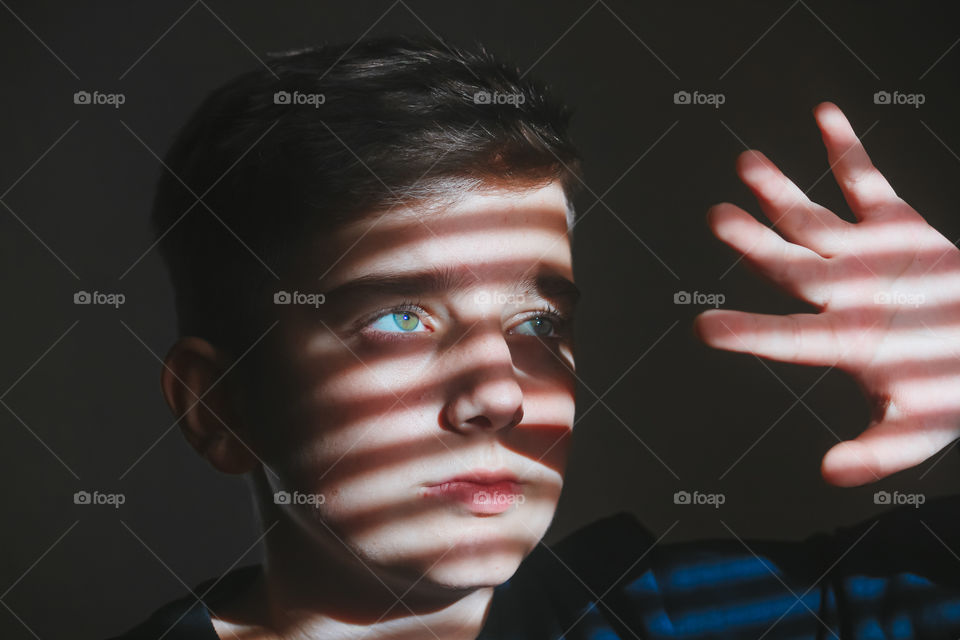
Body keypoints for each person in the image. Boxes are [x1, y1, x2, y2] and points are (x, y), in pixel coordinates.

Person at [108, 34, 960, 639]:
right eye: (399, 318)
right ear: (219, 408)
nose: (499, 393)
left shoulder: (698, 616)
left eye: (538, 323)